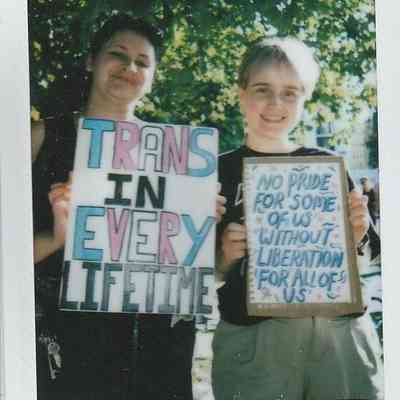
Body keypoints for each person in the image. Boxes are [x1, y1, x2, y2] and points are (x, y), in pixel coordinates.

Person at [32, 14, 227, 400]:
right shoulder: (41, 138)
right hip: (67, 348)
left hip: (155, 349)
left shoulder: (174, 157)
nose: (129, 68)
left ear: (153, 75)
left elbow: (202, 271)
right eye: (117, 54)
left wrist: (198, 228)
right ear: (91, 60)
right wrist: (56, 238)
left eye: (143, 62)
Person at [212, 37, 383, 400]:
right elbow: (201, 273)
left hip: (338, 332)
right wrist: (224, 256)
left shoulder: (327, 164)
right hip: (255, 338)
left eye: (290, 92)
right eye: (262, 89)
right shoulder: (217, 172)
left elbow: (366, 255)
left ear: (306, 98)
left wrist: (358, 230)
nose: (276, 103)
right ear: (241, 94)